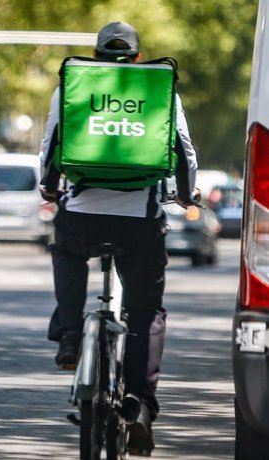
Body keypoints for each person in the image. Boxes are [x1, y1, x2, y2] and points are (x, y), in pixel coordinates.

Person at [39, 21, 199, 455]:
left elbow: (52, 144)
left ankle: (71, 337)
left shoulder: (73, 84)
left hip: (82, 216)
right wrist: (187, 195)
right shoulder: (161, 89)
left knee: (67, 252)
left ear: (96, 55)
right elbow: (183, 149)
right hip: (140, 222)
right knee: (146, 309)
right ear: (136, 58)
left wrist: (48, 186)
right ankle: (139, 405)